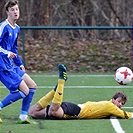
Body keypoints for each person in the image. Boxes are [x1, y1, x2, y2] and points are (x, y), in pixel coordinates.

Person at [29, 64, 133, 120]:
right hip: (76, 111)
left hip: (73, 107)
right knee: (54, 111)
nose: (120, 105)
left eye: (122, 104)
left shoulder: (108, 105)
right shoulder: (111, 107)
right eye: (119, 102)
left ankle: (55, 91)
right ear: (113, 99)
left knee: (32, 112)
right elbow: (125, 115)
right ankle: (61, 82)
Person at [0, 0, 37, 124]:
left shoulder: (17, 29)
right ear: (7, 12)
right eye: (12, 10)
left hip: (11, 65)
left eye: (16, 9)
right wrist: (6, 53)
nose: (15, 12)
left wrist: (20, 63)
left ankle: (23, 117)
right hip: (2, 65)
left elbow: (14, 49)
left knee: (32, 86)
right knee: (24, 90)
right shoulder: (3, 26)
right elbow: (6, 50)